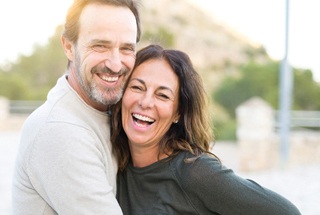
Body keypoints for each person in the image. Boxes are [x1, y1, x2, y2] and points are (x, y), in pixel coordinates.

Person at [111, 44, 301, 215]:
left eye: (162, 95)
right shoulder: (111, 161)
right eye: (137, 87)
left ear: (178, 112)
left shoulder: (195, 172)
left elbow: (286, 212)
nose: (145, 102)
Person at [12, 0, 141, 214]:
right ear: (69, 47)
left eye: (127, 49)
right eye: (100, 46)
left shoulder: (112, 112)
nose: (116, 64)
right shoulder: (59, 130)